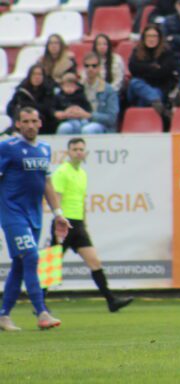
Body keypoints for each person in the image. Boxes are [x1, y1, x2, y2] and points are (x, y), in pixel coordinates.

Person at [0, 107, 69, 331]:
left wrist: (58, 213)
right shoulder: (7, 148)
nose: (30, 125)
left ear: (40, 123)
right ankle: (41, 312)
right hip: (12, 213)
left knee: (20, 265)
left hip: (34, 215)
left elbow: (46, 183)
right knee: (30, 257)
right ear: (18, 124)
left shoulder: (44, 148)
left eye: (34, 120)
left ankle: (3, 315)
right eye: (25, 121)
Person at [50, 138, 133, 311]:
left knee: (94, 262)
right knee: (51, 266)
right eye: (75, 149)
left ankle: (111, 301)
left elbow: (81, 201)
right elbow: (56, 198)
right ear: (68, 152)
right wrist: (59, 220)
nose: (79, 152)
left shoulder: (82, 173)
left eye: (81, 149)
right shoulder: (62, 172)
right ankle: (39, 304)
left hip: (78, 224)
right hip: (64, 223)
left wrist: (83, 223)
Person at [127, 24, 176, 118]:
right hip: (138, 89)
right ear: (144, 38)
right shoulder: (137, 51)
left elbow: (165, 72)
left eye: (154, 36)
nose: (151, 39)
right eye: (148, 36)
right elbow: (133, 68)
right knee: (135, 82)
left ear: (159, 38)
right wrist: (153, 67)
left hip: (158, 88)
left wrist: (144, 69)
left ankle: (141, 123)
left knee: (144, 99)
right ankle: (157, 103)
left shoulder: (166, 52)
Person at [5, 64, 57, 135]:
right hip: (22, 124)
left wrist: (27, 105)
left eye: (39, 74)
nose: (37, 77)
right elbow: (10, 108)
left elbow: (47, 109)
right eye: (34, 74)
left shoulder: (48, 91)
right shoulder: (22, 91)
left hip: (44, 126)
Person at [77, 53, 119, 134]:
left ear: (99, 68)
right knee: (65, 128)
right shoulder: (78, 88)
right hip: (80, 121)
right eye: (87, 66)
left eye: (94, 66)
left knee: (88, 130)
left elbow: (112, 118)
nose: (90, 68)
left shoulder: (108, 90)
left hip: (102, 126)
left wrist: (90, 115)